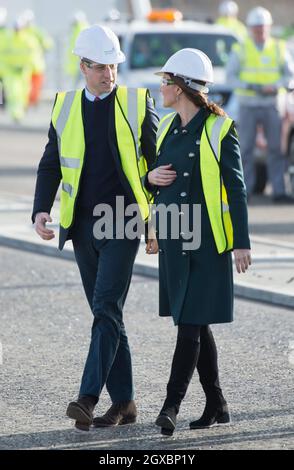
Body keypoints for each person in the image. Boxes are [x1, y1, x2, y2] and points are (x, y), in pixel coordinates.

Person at [32, 24, 158, 431]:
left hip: (123, 222)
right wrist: (40, 210)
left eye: (113, 66)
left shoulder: (138, 102)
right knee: (108, 314)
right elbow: (52, 161)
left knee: (105, 308)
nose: (109, 74)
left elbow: (155, 166)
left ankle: (87, 398)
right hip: (82, 224)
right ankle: (125, 402)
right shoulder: (64, 105)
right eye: (101, 67)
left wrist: (157, 223)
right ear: (83, 67)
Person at [145, 48, 251, 436]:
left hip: (207, 244)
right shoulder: (168, 127)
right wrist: (148, 182)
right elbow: (154, 181)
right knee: (195, 323)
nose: (160, 87)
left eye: (165, 81)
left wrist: (242, 241)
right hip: (175, 238)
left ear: (182, 87)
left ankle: (170, 406)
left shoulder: (221, 128)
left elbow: (236, 191)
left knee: (188, 325)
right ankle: (217, 403)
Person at [226, 6, 294, 203]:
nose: (260, 31)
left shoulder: (279, 48)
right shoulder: (241, 49)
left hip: (272, 103)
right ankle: (245, 190)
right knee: (245, 148)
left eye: (263, 27)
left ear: (269, 27)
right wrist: (251, 85)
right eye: (256, 28)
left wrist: (276, 86)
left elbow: (290, 76)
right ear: (250, 28)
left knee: (276, 149)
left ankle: (279, 191)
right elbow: (230, 78)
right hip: (248, 104)